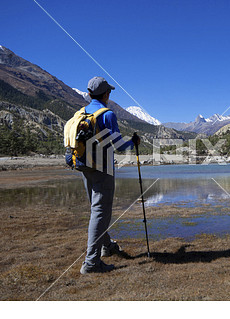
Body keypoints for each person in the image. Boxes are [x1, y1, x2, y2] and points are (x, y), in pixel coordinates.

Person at [80, 76, 140, 274]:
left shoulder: (82, 113)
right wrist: (134, 142)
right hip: (102, 168)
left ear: (89, 94)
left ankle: (107, 247)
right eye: (109, 92)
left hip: (83, 166)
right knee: (100, 212)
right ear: (106, 94)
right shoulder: (107, 114)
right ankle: (91, 263)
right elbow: (120, 146)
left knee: (97, 210)